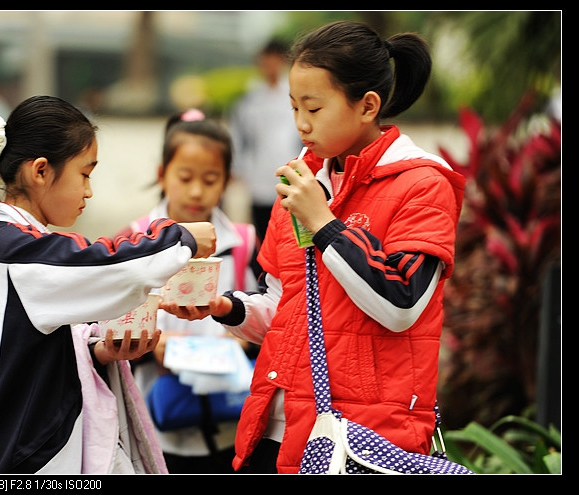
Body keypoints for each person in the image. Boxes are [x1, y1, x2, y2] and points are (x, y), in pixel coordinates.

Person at [161, 21, 466, 474]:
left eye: (315, 108)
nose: (301, 124)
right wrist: (225, 307)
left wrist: (323, 222)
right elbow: (285, 310)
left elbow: (401, 306)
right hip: (275, 425)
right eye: (294, 107)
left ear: (367, 106)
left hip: (362, 438)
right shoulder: (303, 180)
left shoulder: (422, 184)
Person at [0, 95, 217, 474]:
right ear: (40, 171)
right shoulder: (17, 250)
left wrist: (101, 350)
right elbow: (112, 265)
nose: (88, 190)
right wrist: (179, 238)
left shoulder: (10, 243)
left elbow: (35, 351)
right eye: (84, 174)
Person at [117, 109, 260, 473]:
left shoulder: (243, 241)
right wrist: (153, 347)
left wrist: (242, 340)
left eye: (211, 179)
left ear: (227, 180)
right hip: (157, 416)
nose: (197, 191)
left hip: (232, 417)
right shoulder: (131, 241)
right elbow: (111, 325)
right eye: (185, 177)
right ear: (162, 174)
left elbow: (268, 312)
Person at [228, 39, 303, 248]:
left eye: (274, 60)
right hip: (259, 176)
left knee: (290, 234)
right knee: (262, 233)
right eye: (265, 61)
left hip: (290, 171)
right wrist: (236, 168)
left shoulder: (294, 96)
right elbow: (239, 137)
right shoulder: (250, 100)